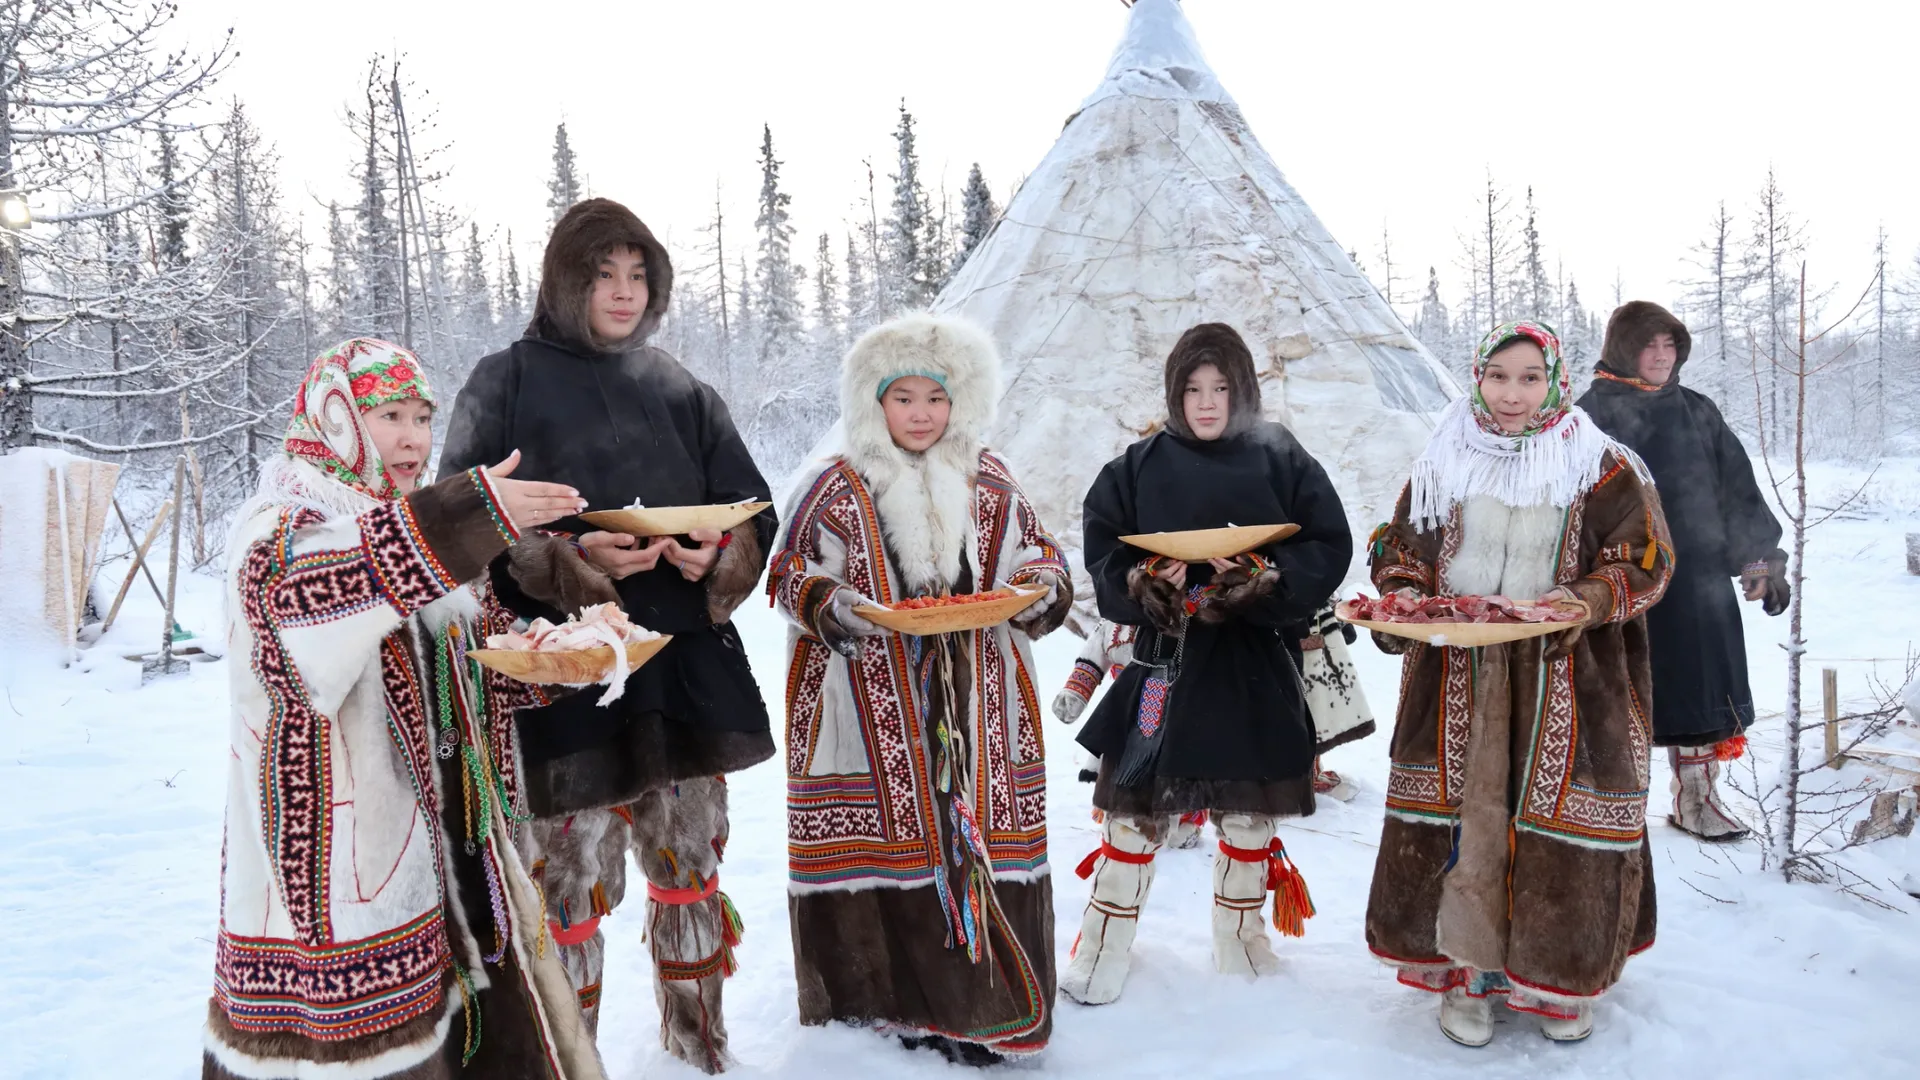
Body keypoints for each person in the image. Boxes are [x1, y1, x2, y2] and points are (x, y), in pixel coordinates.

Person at [205, 339, 606, 1079]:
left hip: (452, 850)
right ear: (336, 417)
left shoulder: (403, 529)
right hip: (345, 880)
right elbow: (329, 596)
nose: (414, 438)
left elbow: (463, 675)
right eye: (389, 414)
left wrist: (554, 661)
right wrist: (463, 515)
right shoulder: (280, 531)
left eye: (423, 416)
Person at [438, 198, 776, 1073]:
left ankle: (702, 1048)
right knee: (567, 887)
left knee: (691, 861)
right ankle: (568, 1060)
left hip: (681, 668)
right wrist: (567, 559)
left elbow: (750, 505)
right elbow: (460, 522)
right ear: (564, 282)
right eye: (603, 276)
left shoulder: (679, 387)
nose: (623, 293)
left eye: (638, 276)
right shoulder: (504, 381)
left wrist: (721, 557)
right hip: (564, 673)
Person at [768, 312, 1073, 1065]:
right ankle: (888, 1003)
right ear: (873, 405)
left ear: (959, 403)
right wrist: (836, 605)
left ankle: (988, 1006)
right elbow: (787, 575)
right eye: (901, 398)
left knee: (976, 843)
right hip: (869, 707)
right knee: (894, 848)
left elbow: (1043, 562)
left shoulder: (993, 481)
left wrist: (1036, 590)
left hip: (983, 710)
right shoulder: (834, 488)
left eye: (934, 399)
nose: (919, 414)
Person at [1364, 321, 1674, 1046]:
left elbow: (1646, 557)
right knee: (1470, 815)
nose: (1512, 393)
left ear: (1555, 381)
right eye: (1499, 376)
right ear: (1477, 378)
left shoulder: (1600, 465)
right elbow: (1400, 544)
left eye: (1530, 377)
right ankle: (1470, 970)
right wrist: (1403, 590)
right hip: (1460, 675)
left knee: (1560, 818)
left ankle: (1560, 977)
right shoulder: (1444, 458)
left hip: (1569, 673)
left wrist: (1588, 598)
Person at [1066, 322, 1352, 1006]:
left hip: (1252, 659)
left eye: (1221, 387)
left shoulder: (1280, 456)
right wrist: (1143, 582)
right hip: (1165, 662)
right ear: (1173, 391)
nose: (1206, 401)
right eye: (1192, 388)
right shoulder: (1137, 464)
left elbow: (1328, 541)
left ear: (1244, 389)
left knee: (1249, 813)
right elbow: (1103, 542)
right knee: (1132, 811)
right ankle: (1102, 947)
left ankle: (1242, 944)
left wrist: (1264, 578)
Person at [1578, 301, 1787, 841]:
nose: (1660, 356)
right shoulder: (1587, 418)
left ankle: (1697, 799)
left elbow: (1736, 491)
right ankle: (1612, 805)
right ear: (1623, 348)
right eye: (1649, 344)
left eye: (1670, 345)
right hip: (1618, 584)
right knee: (1618, 693)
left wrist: (1759, 559)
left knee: (1699, 693)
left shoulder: (1697, 410)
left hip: (1696, 582)